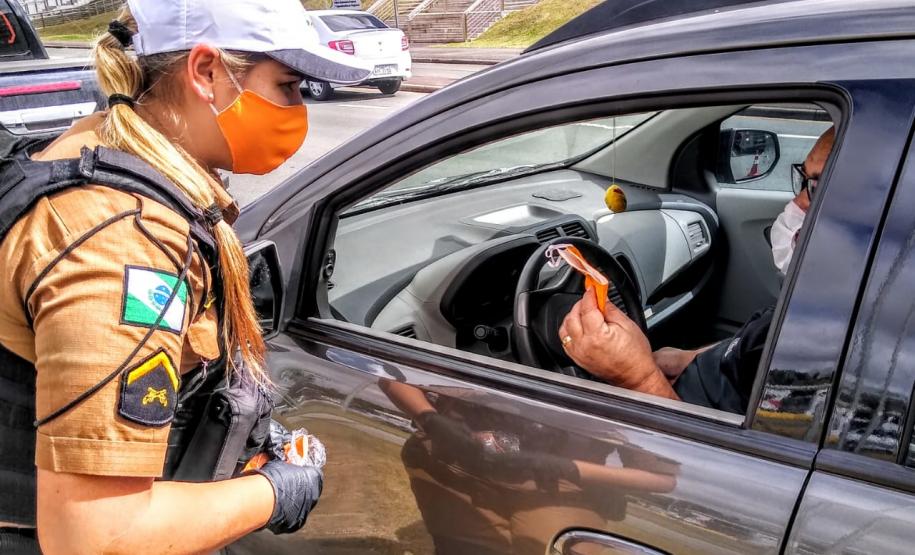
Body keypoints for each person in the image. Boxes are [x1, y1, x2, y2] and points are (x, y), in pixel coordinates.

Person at [0, 1, 371, 553]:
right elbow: (98, 535)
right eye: (288, 86)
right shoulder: (123, 237)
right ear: (206, 72)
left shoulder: (104, 145)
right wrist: (275, 492)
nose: (298, 109)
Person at [558, 128, 834, 413]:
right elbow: (753, 354)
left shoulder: (825, 353)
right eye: (803, 181)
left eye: (817, 186)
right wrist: (687, 358)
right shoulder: (825, 304)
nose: (798, 202)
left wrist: (636, 377)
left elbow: (726, 456)